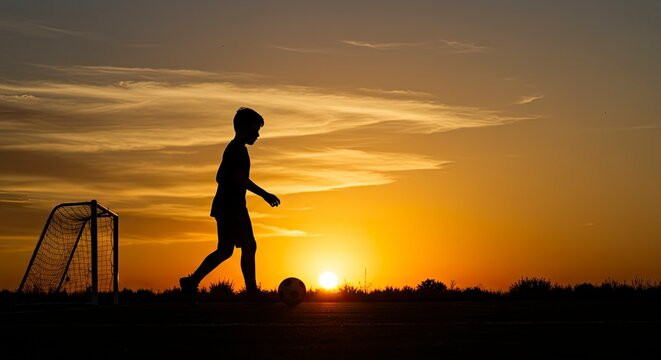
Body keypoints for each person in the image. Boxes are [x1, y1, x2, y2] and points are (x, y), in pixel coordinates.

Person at [179, 107, 280, 305]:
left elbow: (219, 176)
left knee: (225, 250)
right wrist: (265, 194)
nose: (258, 134)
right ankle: (252, 293)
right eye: (255, 129)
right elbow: (239, 179)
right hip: (233, 207)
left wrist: (232, 181)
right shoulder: (237, 150)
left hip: (223, 206)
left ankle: (191, 281)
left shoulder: (233, 149)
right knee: (249, 246)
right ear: (243, 127)